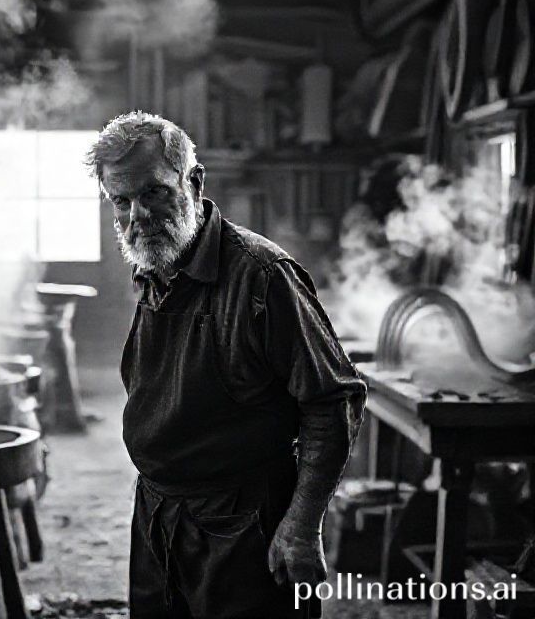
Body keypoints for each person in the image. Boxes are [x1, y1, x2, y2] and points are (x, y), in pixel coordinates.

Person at [86, 112, 367, 619]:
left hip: (242, 527)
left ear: (193, 183)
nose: (137, 216)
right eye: (120, 201)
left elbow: (332, 400)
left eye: (154, 193)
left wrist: (302, 526)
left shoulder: (262, 276)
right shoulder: (154, 263)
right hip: (157, 515)